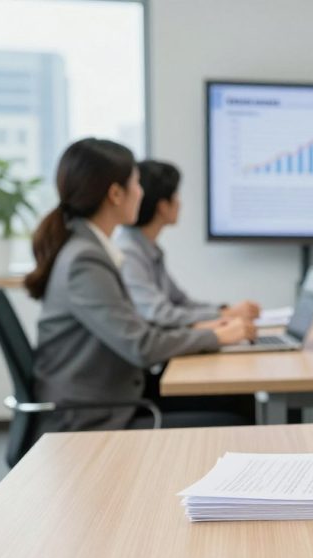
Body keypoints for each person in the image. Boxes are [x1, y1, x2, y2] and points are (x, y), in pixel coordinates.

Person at [24, 138, 256, 434]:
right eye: (136, 183)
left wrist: (210, 331)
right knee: (235, 422)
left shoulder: (90, 247)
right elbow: (141, 345)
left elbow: (141, 328)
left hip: (113, 399)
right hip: (90, 418)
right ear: (116, 194)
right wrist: (215, 336)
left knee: (236, 399)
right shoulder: (85, 260)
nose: (141, 192)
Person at [115, 160, 260, 328]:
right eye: (176, 196)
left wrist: (225, 310)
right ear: (163, 206)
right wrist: (225, 315)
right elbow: (159, 314)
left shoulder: (148, 248)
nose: (180, 203)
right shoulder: (128, 252)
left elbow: (180, 302)